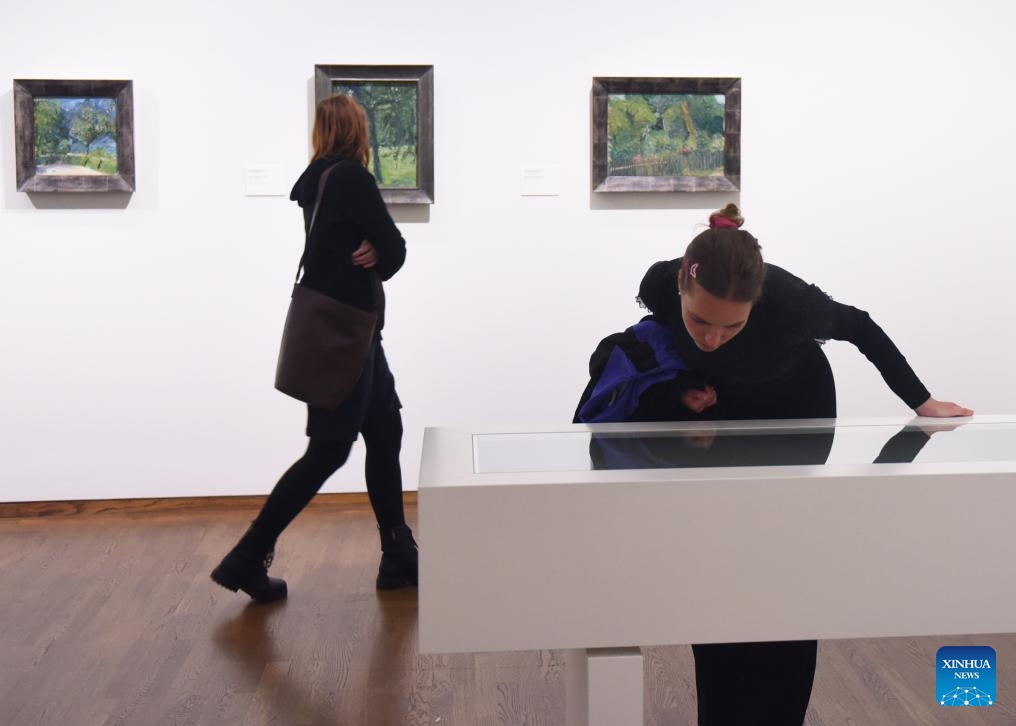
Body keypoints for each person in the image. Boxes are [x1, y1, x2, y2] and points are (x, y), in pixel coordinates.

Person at [631, 203, 972, 725]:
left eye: (731, 325)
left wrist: (922, 402)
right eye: (699, 320)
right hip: (725, 404)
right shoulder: (660, 283)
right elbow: (652, 346)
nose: (712, 338)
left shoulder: (790, 302)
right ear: (681, 283)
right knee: (718, 553)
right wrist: (680, 391)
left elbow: (861, 327)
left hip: (797, 403)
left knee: (784, 551)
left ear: (756, 303)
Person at [211, 94, 417, 603]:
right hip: (348, 339)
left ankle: (397, 552)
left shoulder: (317, 180)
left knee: (386, 431)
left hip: (357, 336)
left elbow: (354, 248)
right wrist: (380, 248)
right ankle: (247, 556)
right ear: (357, 131)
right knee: (328, 451)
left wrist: (373, 247)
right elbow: (394, 252)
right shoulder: (350, 179)